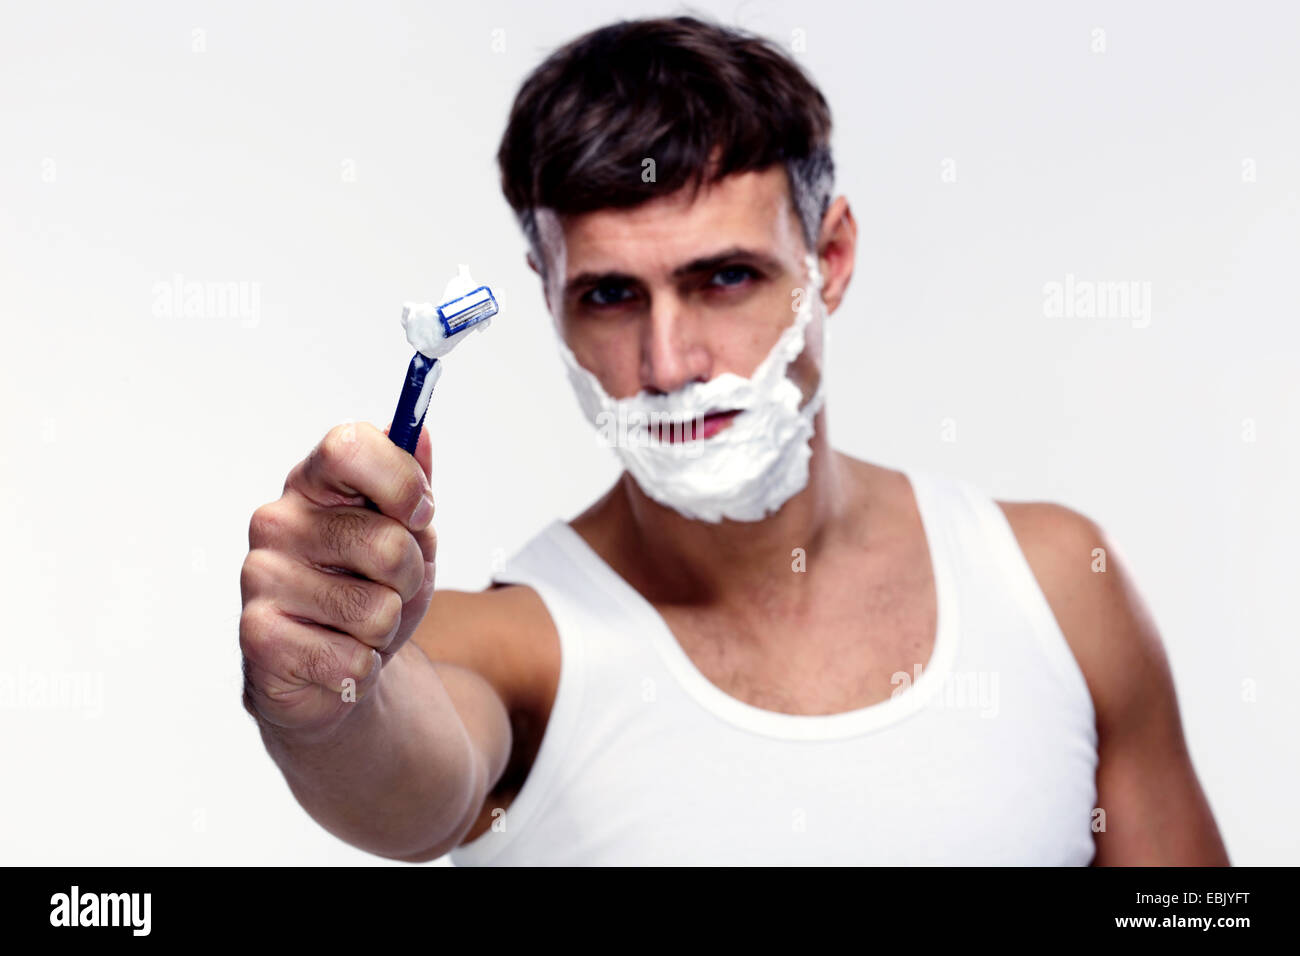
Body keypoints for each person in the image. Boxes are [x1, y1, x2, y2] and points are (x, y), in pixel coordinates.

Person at [239, 16, 1229, 865]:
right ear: (548, 299)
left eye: (724, 278)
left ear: (828, 259)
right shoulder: (508, 650)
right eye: (611, 295)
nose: (669, 362)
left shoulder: (1053, 580)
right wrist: (323, 700)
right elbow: (405, 776)